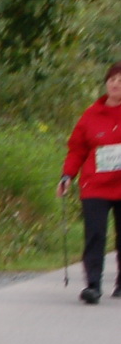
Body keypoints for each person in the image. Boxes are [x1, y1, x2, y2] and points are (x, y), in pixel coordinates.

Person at [57, 62, 121, 304]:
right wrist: (67, 176)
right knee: (95, 234)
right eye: (112, 79)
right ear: (106, 83)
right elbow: (77, 150)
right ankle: (93, 285)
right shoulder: (91, 115)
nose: (116, 84)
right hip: (95, 185)